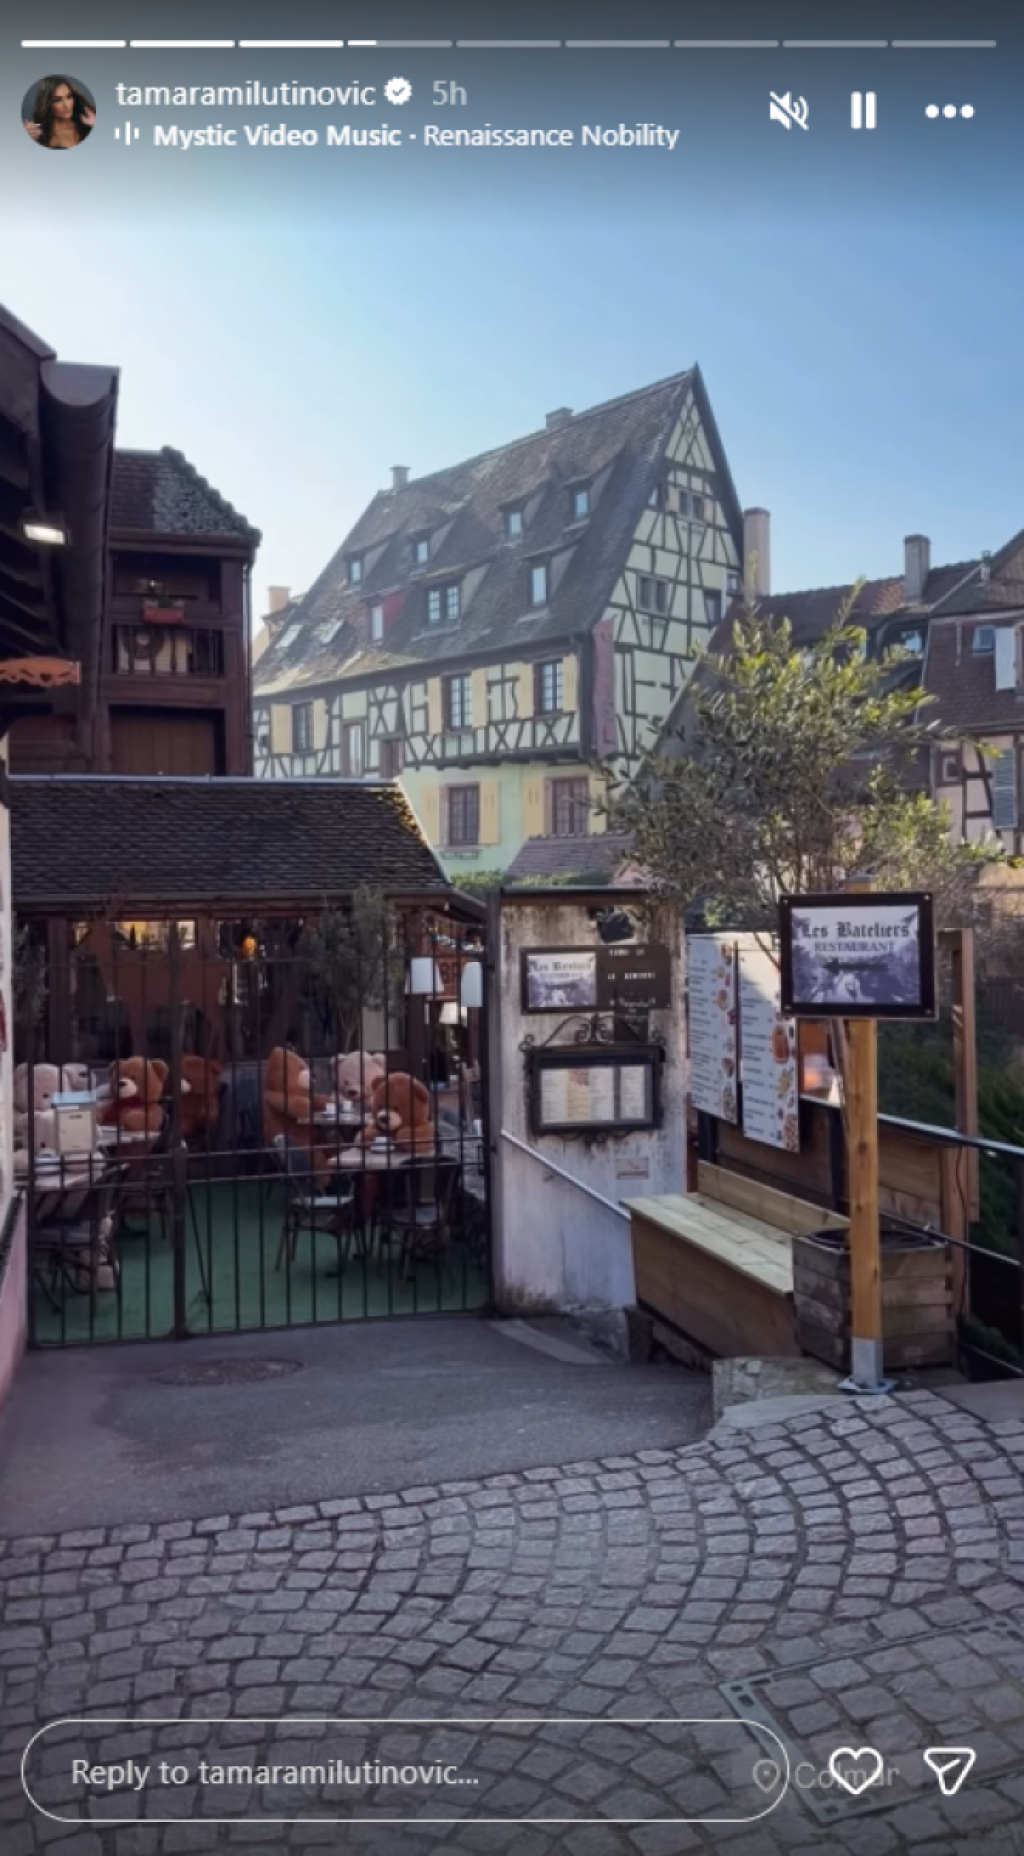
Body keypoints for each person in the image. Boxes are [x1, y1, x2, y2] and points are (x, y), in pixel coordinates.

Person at [24, 76, 95, 149]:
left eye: (69, 97)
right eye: (57, 100)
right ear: (46, 103)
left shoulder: (87, 123)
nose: (67, 106)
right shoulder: (34, 130)